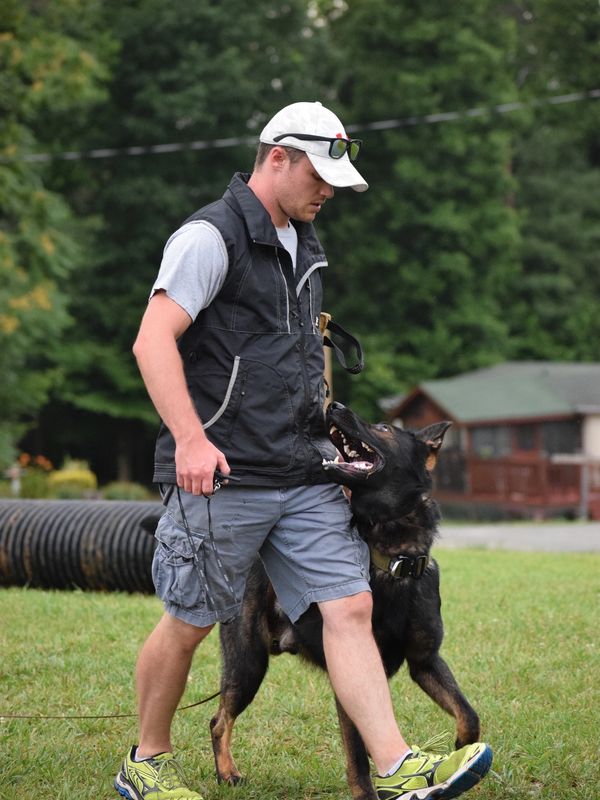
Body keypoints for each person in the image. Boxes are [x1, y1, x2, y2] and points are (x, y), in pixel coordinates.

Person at [115, 101, 492, 800]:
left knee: (348, 608)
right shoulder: (209, 237)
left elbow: (299, 357)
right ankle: (147, 760)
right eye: (319, 176)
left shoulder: (306, 243)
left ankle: (396, 765)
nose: (327, 193)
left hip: (306, 472)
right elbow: (151, 340)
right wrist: (192, 440)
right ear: (277, 157)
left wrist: (336, 452)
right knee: (192, 620)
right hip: (221, 473)